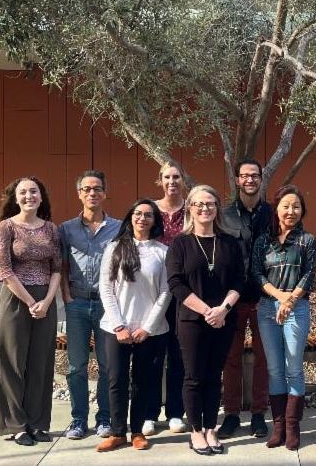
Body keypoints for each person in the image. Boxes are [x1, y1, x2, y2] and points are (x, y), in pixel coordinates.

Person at [167, 185, 245, 456]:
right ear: (189, 207)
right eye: (199, 204)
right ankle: (196, 430)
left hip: (223, 319)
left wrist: (222, 309)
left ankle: (211, 427)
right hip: (191, 320)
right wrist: (206, 311)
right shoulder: (180, 243)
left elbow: (239, 280)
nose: (205, 208)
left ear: (217, 208)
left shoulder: (229, 242)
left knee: (215, 375)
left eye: (210, 203)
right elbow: (176, 283)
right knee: (194, 377)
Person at [95, 200, 171, 452]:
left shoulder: (162, 251)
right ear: (130, 218)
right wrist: (119, 326)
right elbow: (105, 288)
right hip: (115, 328)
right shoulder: (114, 247)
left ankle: (137, 430)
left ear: (154, 221)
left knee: (143, 381)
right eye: (138, 213)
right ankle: (118, 432)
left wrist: (147, 328)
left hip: (150, 331)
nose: (142, 218)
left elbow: (165, 293)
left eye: (148, 215)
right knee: (115, 379)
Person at [0, 176, 61, 446]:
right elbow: (5, 270)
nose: (28, 196)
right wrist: (30, 302)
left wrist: (46, 301)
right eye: (23, 192)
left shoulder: (52, 229)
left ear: (41, 197)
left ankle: (38, 423)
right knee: (12, 362)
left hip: (46, 298)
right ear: (15, 198)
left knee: (41, 362)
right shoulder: (5, 227)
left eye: (33, 191)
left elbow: (57, 268)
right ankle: (16, 424)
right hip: (15, 298)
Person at [251, 185, 316, 451]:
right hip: (267, 310)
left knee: (293, 369)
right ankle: (278, 427)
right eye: (286, 206)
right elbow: (257, 275)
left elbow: (308, 275)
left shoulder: (307, 240)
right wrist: (281, 297)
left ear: (302, 211)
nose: (291, 211)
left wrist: (290, 301)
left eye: (296, 206)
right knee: (274, 369)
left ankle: (292, 427)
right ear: (276, 208)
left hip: (297, 309)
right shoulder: (262, 241)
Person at [59, 170, 121, 440]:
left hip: (108, 306)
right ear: (79, 194)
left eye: (97, 188)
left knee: (108, 365)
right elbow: (60, 266)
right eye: (87, 189)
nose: (92, 193)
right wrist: (67, 297)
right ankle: (78, 420)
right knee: (77, 366)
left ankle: (105, 419)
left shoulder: (119, 228)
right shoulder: (67, 229)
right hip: (77, 304)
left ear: (105, 193)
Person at [219, 159, 272, 439]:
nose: (250, 180)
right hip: (233, 298)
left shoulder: (273, 215)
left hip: (265, 298)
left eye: (255, 175)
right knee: (232, 358)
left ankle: (258, 414)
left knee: (263, 358)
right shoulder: (224, 216)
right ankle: (230, 415)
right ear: (237, 180)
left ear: (261, 179)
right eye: (245, 176)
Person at [143, 160, 188, 436]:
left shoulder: (191, 210)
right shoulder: (150, 210)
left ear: (183, 180)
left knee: (178, 354)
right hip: (153, 292)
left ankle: (175, 412)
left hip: (184, 292)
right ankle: (148, 412)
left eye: (176, 176)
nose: (172, 181)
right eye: (167, 177)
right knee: (152, 354)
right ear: (160, 180)